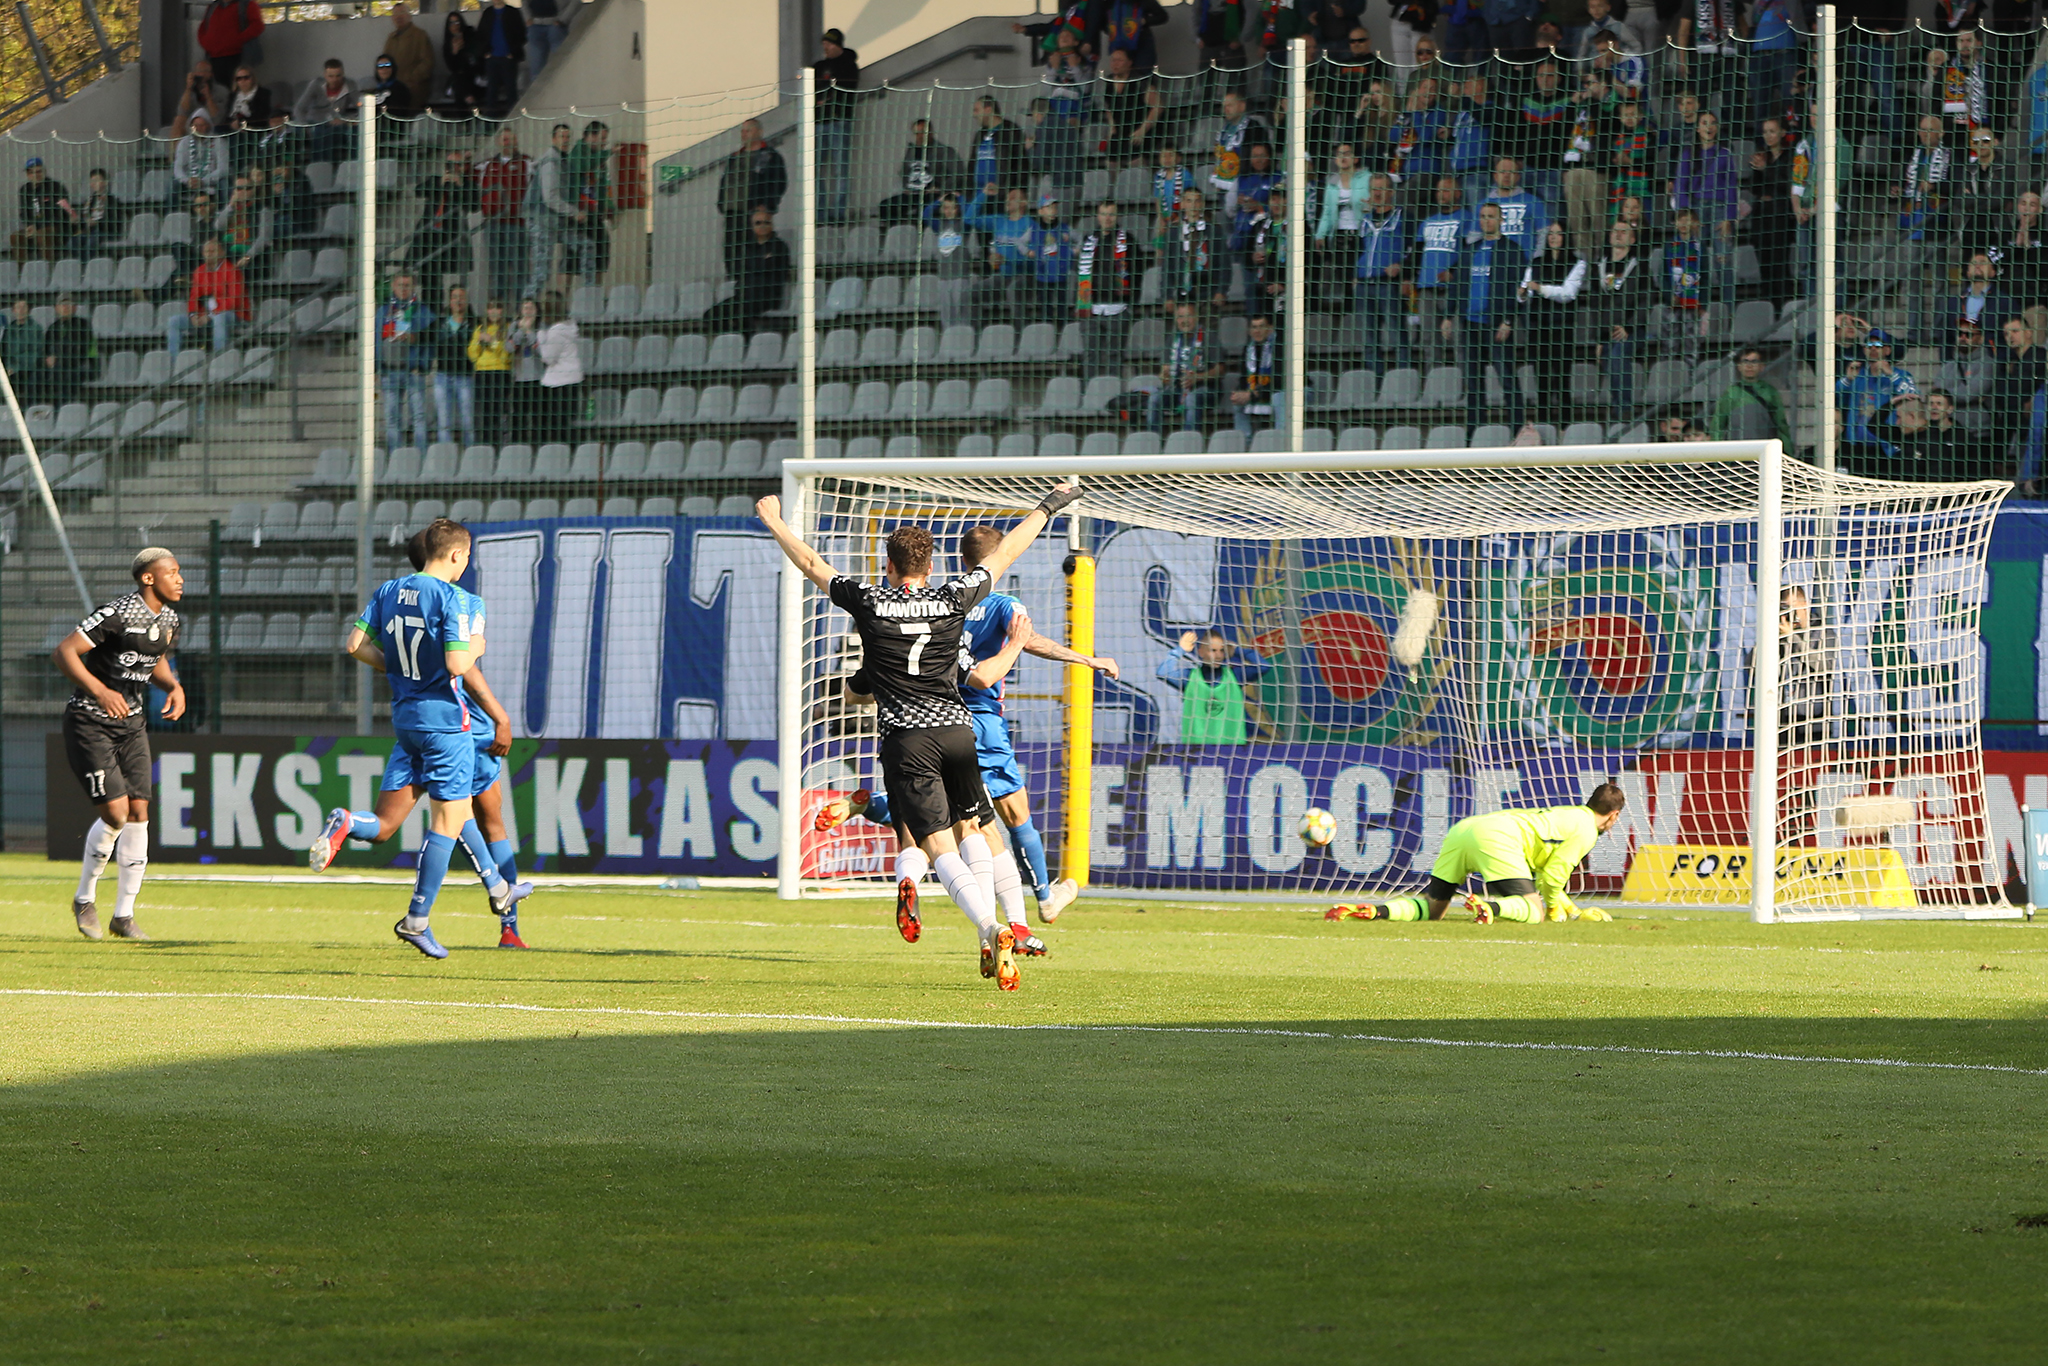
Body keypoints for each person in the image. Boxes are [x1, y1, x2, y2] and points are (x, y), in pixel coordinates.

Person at [754, 480, 1087, 989]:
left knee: (936, 845)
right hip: (958, 731)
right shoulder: (952, 598)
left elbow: (811, 563)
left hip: (907, 739)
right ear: (930, 568)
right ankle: (1005, 929)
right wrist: (1050, 505)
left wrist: (775, 520)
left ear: (888, 566)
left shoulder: (870, 601)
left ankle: (989, 926)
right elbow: (1006, 553)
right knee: (976, 828)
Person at [817, 526, 1119, 940]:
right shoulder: (988, 602)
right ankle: (1034, 907)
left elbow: (857, 686)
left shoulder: (920, 607)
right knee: (1001, 820)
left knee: (926, 821)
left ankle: (875, 814)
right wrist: (1084, 658)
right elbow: (1020, 647)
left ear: (959, 561)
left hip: (911, 728)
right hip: (972, 724)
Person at [314, 529, 533, 948]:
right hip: (447, 723)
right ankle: (419, 919)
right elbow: (458, 664)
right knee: (453, 820)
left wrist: (398, 667)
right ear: (456, 555)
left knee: (395, 822)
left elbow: (355, 645)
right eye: (466, 556)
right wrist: (476, 646)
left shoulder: (389, 590)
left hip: (406, 721)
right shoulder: (456, 599)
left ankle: (351, 823)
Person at [55, 548, 186, 941]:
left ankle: (124, 915)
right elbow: (64, 652)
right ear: (148, 578)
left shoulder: (169, 619)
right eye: (172, 572)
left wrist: (173, 685)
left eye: (179, 572)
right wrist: (100, 690)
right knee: (116, 813)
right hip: (90, 721)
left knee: (140, 810)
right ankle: (84, 899)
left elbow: (154, 656)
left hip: (132, 724)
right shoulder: (116, 613)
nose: (179, 579)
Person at [1327, 784, 1626, 923]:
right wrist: (1558, 912)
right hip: (1498, 839)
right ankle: (1490, 908)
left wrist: (1570, 908)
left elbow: (1549, 878)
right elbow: (1552, 877)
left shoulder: (1570, 814)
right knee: (1533, 911)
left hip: (1464, 829)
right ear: (1613, 815)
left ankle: (1377, 911)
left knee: (1433, 910)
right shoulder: (1586, 830)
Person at [1444, 200, 1527, 434]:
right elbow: (1457, 285)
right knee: (1473, 381)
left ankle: (1517, 429)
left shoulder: (1512, 250)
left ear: (1501, 220)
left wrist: (1508, 320)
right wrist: (1448, 316)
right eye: (1482, 216)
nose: (1486, 220)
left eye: (1491, 216)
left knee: (1507, 378)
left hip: (1496, 324)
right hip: (1470, 325)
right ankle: (1474, 432)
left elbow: (1518, 290)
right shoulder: (1470, 250)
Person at [1157, 628, 1271, 743]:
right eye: (1213, 650)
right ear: (1201, 652)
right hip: (1196, 748)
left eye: (1222, 651)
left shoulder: (1235, 676)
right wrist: (1180, 650)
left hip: (1232, 748)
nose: (1218, 656)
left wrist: (1236, 650)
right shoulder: (1190, 677)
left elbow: (1263, 666)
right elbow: (1163, 672)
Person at [1518, 218, 1585, 411]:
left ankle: (1564, 420)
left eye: (1558, 234)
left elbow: (1567, 294)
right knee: (1541, 377)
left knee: (1562, 377)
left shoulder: (1577, 263)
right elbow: (1525, 291)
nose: (1554, 238)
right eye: (1551, 234)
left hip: (1561, 327)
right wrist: (1523, 294)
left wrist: (1540, 288)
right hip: (1538, 326)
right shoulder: (1537, 262)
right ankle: (1543, 418)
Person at [1673, 112, 1737, 312]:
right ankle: (1700, 310)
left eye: (1712, 123)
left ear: (1717, 128)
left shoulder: (1725, 154)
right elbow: (1680, 185)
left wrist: (1729, 218)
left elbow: (1731, 186)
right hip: (1696, 211)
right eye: (1704, 123)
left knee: (1723, 260)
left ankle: (1729, 310)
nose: (1708, 127)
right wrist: (1686, 216)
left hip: (1719, 210)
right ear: (1698, 128)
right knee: (1697, 262)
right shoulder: (1688, 154)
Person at [1075, 199, 1146, 377]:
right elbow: (1080, 273)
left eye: (1111, 214)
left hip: (1118, 309)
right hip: (1091, 309)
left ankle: (1113, 390)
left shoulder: (1128, 241)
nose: (1107, 218)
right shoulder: (1088, 241)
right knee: (1090, 356)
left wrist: (1131, 305)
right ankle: (1089, 390)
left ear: (1117, 216)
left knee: (1115, 356)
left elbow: (1137, 273)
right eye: (1104, 214)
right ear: (1098, 216)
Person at [1591, 218, 1650, 422]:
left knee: (1617, 354)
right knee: (1609, 356)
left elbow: (1645, 300)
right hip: (1608, 333)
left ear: (1632, 239)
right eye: (1615, 231)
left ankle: (1624, 410)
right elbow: (1596, 305)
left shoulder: (1640, 267)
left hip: (1633, 331)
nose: (1618, 234)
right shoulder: (1600, 267)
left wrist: (1629, 327)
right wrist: (1599, 338)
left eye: (1623, 232)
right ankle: (1618, 413)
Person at [1353, 173, 1409, 377]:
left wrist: (1403, 268)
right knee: (1369, 338)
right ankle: (1374, 383)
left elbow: (1414, 247)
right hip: (1364, 284)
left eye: (1382, 189)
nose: (1377, 193)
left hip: (1388, 284)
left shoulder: (1403, 217)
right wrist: (1355, 275)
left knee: (1397, 335)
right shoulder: (1365, 220)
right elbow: (1358, 249)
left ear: (1391, 192)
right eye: (1374, 189)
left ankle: (1404, 380)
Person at [376, 271, 435, 453]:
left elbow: (431, 341)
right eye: (400, 285)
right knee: (392, 419)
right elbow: (376, 340)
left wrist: (423, 365)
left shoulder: (422, 311)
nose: (403, 289)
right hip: (389, 371)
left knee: (418, 417)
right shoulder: (384, 311)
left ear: (413, 287)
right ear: (393, 286)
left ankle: (421, 458)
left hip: (413, 371)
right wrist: (376, 368)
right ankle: (396, 458)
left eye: (407, 285)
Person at [718, 119, 790, 264]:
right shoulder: (735, 157)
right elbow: (725, 182)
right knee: (732, 252)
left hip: (754, 213)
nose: (744, 134)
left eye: (748, 130)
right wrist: (722, 203)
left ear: (759, 132)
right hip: (732, 214)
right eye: (742, 131)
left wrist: (767, 205)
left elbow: (779, 182)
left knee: (753, 253)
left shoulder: (769, 156)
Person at [713, 207, 792, 333]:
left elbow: (778, 271)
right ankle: (732, 335)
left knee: (742, 314)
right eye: (758, 223)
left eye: (766, 222)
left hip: (766, 296)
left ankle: (745, 339)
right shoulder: (746, 247)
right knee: (712, 314)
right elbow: (738, 270)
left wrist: (754, 266)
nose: (762, 226)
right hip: (743, 295)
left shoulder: (779, 246)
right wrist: (761, 263)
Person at [476, 126, 531, 306]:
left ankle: (521, 310)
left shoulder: (527, 163)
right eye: (505, 139)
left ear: (517, 141)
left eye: (511, 139)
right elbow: (467, 177)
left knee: (520, 269)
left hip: (517, 224)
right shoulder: (487, 165)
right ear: (498, 142)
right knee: (496, 269)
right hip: (493, 224)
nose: (509, 143)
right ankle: (497, 312)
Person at [1150, 302, 1223, 434]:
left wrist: (1197, 378)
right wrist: (1164, 375)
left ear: (1197, 317)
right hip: (1177, 390)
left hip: (1206, 389)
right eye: (1180, 317)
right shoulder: (1173, 338)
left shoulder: (1208, 336)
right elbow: (1165, 368)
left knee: (1192, 398)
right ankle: (1153, 440)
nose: (1184, 321)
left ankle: (1189, 441)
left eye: (1188, 316)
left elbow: (1221, 369)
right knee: (1154, 398)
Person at [411, 150, 480, 289]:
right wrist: (440, 183)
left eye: (457, 164)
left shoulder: (468, 185)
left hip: (451, 235)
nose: (453, 168)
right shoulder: (436, 180)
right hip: (429, 235)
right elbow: (418, 191)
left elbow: (474, 206)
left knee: (452, 274)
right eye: (450, 164)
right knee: (428, 277)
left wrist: (460, 186)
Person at [524, 122, 578, 301]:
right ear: (554, 139)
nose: (565, 140)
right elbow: (550, 197)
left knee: (583, 247)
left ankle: (544, 303)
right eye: (562, 136)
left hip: (551, 222)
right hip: (542, 222)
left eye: (568, 137)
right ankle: (528, 307)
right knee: (541, 271)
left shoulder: (561, 160)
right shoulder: (551, 162)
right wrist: (573, 212)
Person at [166, 237, 245, 356]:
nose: (209, 254)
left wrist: (210, 315)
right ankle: (174, 361)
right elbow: (194, 298)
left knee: (219, 318)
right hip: (206, 316)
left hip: (230, 315)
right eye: (207, 251)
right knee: (174, 321)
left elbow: (233, 301)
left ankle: (220, 358)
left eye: (213, 251)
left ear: (222, 253)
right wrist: (193, 315)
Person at [815, 29, 860, 225]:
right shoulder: (819, 66)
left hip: (839, 121)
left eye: (829, 44)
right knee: (814, 170)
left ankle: (839, 214)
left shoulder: (848, 65)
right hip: (819, 123)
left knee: (840, 169)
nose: (825, 47)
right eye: (824, 44)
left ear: (837, 45)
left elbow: (847, 90)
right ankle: (820, 213)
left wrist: (826, 100)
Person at [877, 119, 960, 224]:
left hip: (932, 194)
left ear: (930, 132)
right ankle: (897, 230)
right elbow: (904, 172)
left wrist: (941, 189)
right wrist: (906, 187)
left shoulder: (945, 152)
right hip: (912, 194)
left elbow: (958, 174)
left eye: (923, 132)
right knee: (886, 206)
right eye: (917, 133)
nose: (920, 136)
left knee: (925, 210)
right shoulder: (911, 152)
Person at [1155, 186, 1224, 313]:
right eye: (1189, 201)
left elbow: (1224, 263)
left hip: (1208, 291)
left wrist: (1221, 291)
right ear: (1182, 204)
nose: (1193, 205)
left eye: (1197, 201)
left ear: (1202, 204)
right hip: (1181, 292)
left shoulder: (1214, 231)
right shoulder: (1173, 232)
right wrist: (1167, 295)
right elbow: (1167, 267)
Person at [564, 120, 614, 286]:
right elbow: (583, 166)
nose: (605, 142)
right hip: (577, 214)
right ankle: (562, 295)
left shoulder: (600, 160)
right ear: (591, 136)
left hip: (595, 214)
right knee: (572, 258)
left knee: (601, 251)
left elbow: (604, 185)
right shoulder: (577, 153)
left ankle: (595, 293)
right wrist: (608, 153)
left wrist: (608, 208)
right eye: (602, 138)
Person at [1710, 347, 1793, 446]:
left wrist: (1787, 449)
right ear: (1739, 366)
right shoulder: (1731, 393)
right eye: (1745, 361)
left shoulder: (1770, 392)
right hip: (1737, 449)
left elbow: (1781, 424)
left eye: (1754, 361)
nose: (1749, 366)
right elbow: (1718, 424)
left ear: (1762, 366)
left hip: (1763, 448)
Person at [429, 284, 478, 449]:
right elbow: (424, 341)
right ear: (449, 301)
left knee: (468, 421)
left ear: (466, 300)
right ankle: (445, 456)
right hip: (442, 377)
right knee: (444, 422)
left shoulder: (474, 323)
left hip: (465, 377)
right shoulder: (439, 323)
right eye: (455, 297)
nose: (458, 301)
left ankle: (471, 456)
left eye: (461, 297)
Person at [1098, 48, 1161, 166]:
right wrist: (1112, 127)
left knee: (1135, 157)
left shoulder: (1141, 80)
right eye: (1113, 60)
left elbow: (1158, 107)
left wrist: (1142, 130)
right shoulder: (1109, 81)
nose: (1115, 63)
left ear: (1129, 63)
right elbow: (1108, 108)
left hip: (1141, 127)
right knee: (1110, 159)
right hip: (1120, 129)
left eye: (1120, 60)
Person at [535, 291, 583, 441]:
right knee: (568, 422)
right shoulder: (569, 326)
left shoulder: (556, 331)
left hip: (560, 381)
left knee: (559, 425)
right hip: (571, 379)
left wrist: (540, 336)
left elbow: (548, 358)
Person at [292, 59, 359, 164]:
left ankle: (346, 166)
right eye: (331, 76)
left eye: (338, 76)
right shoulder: (316, 84)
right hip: (316, 122)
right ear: (325, 75)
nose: (335, 79)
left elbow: (360, 106)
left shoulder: (350, 85)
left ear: (343, 74)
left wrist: (346, 120)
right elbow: (299, 109)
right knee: (321, 134)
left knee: (350, 131)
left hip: (338, 123)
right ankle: (319, 166)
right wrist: (305, 126)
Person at [469, 298, 515, 446]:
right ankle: (483, 446)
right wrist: (478, 341)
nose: (494, 312)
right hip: (482, 374)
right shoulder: (480, 329)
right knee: (482, 415)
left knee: (497, 413)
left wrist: (492, 342)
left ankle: (496, 446)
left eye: (497, 308)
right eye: (490, 308)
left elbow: (506, 354)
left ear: (502, 311)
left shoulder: (508, 328)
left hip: (500, 373)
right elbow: (472, 354)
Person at [1228, 313, 1282, 438]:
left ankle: (1281, 439)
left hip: (1286, 391)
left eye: (1261, 326)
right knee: (1238, 402)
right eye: (1254, 327)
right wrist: (1240, 393)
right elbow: (1244, 378)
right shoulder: (1248, 349)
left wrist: (1254, 394)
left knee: (1279, 398)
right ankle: (1244, 442)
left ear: (1270, 328)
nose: (1257, 331)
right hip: (1260, 391)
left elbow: (1280, 381)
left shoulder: (1280, 346)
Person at [967, 96, 1030, 200]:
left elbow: (1021, 163)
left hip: (1001, 195)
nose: (974, 115)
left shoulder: (1011, 131)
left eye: (977, 110)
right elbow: (972, 164)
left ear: (988, 110)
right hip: (978, 194)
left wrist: (1017, 189)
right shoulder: (980, 135)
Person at [14, 157, 74, 262]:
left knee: (43, 233)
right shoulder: (25, 190)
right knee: (15, 237)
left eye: (38, 171)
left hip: (56, 227)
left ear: (44, 171)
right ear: (28, 174)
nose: (35, 175)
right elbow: (24, 212)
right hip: (35, 227)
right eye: (31, 172)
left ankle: (49, 266)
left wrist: (37, 226)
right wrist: (30, 225)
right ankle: (22, 268)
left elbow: (60, 211)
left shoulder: (56, 187)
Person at [215, 172, 274, 277]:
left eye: (247, 188)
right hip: (228, 256)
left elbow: (264, 238)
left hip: (252, 258)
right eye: (239, 188)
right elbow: (219, 226)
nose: (243, 192)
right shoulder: (230, 209)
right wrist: (230, 206)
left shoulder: (263, 210)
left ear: (254, 190)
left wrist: (248, 256)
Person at [195, 0, 264, 90]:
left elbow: (257, 26)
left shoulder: (246, 5)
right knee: (217, 90)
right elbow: (203, 27)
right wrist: (207, 44)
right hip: (214, 58)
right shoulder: (213, 7)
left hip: (237, 56)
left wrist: (238, 40)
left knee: (238, 89)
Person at [39, 296, 94, 408]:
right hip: (57, 366)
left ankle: (62, 408)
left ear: (74, 308)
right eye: (62, 305)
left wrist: (59, 359)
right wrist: (47, 358)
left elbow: (83, 350)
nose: (65, 307)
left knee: (65, 375)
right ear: (56, 308)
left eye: (68, 304)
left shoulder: (83, 325)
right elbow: (45, 349)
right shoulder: (53, 327)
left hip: (79, 365)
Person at [474, 0, 527, 116]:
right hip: (492, 58)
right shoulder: (488, 13)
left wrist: (513, 52)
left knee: (510, 89)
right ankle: (490, 120)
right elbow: (481, 34)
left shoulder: (513, 12)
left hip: (508, 58)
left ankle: (513, 118)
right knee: (491, 90)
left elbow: (521, 33)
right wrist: (485, 52)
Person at [381, 4, 435, 110]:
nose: (399, 16)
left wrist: (411, 79)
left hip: (414, 88)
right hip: (392, 88)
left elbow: (427, 62)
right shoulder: (391, 38)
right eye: (395, 14)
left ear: (409, 16)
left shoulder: (420, 35)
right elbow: (384, 61)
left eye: (402, 13)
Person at [436, 11, 486, 116]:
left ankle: (467, 114)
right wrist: (454, 52)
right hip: (461, 80)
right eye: (451, 23)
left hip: (476, 77)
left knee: (460, 85)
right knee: (459, 83)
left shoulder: (471, 36)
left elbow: (477, 60)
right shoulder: (448, 44)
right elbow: (453, 67)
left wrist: (466, 48)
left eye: (457, 22)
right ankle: (470, 104)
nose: (455, 26)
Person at [508, 296, 545, 433]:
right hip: (519, 378)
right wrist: (521, 331)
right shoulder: (514, 326)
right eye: (525, 308)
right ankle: (518, 442)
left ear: (537, 311)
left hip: (538, 378)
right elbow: (509, 348)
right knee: (519, 416)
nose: (528, 311)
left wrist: (529, 332)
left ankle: (537, 442)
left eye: (531, 308)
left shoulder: (541, 326)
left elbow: (542, 352)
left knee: (538, 417)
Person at [2, 299, 46, 405]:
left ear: (28, 310)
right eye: (18, 307)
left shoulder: (36, 328)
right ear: (13, 310)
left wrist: (15, 367)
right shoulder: (8, 330)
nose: (21, 310)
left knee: (33, 381)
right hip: (11, 369)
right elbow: (5, 352)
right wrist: (8, 366)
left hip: (30, 368)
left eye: (24, 307)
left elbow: (36, 352)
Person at [524, 0, 572, 80]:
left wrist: (563, 19)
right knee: (536, 65)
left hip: (556, 24)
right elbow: (524, 2)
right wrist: (527, 18)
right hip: (535, 25)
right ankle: (539, 86)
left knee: (560, 61)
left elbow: (576, 2)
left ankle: (564, 83)